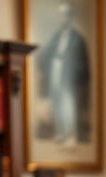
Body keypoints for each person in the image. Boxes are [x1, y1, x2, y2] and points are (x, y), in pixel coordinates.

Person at [36, 2, 91, 146]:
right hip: (56, 76)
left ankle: (70, 133)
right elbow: (44, 56)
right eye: (60, 16)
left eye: (65, 16)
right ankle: (60, 132)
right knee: (56, 104)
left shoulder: (77, 39)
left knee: (68, 106)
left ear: (70, 18)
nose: (62, 19)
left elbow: (84, 65)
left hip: (69, 81)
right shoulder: (56, 37)